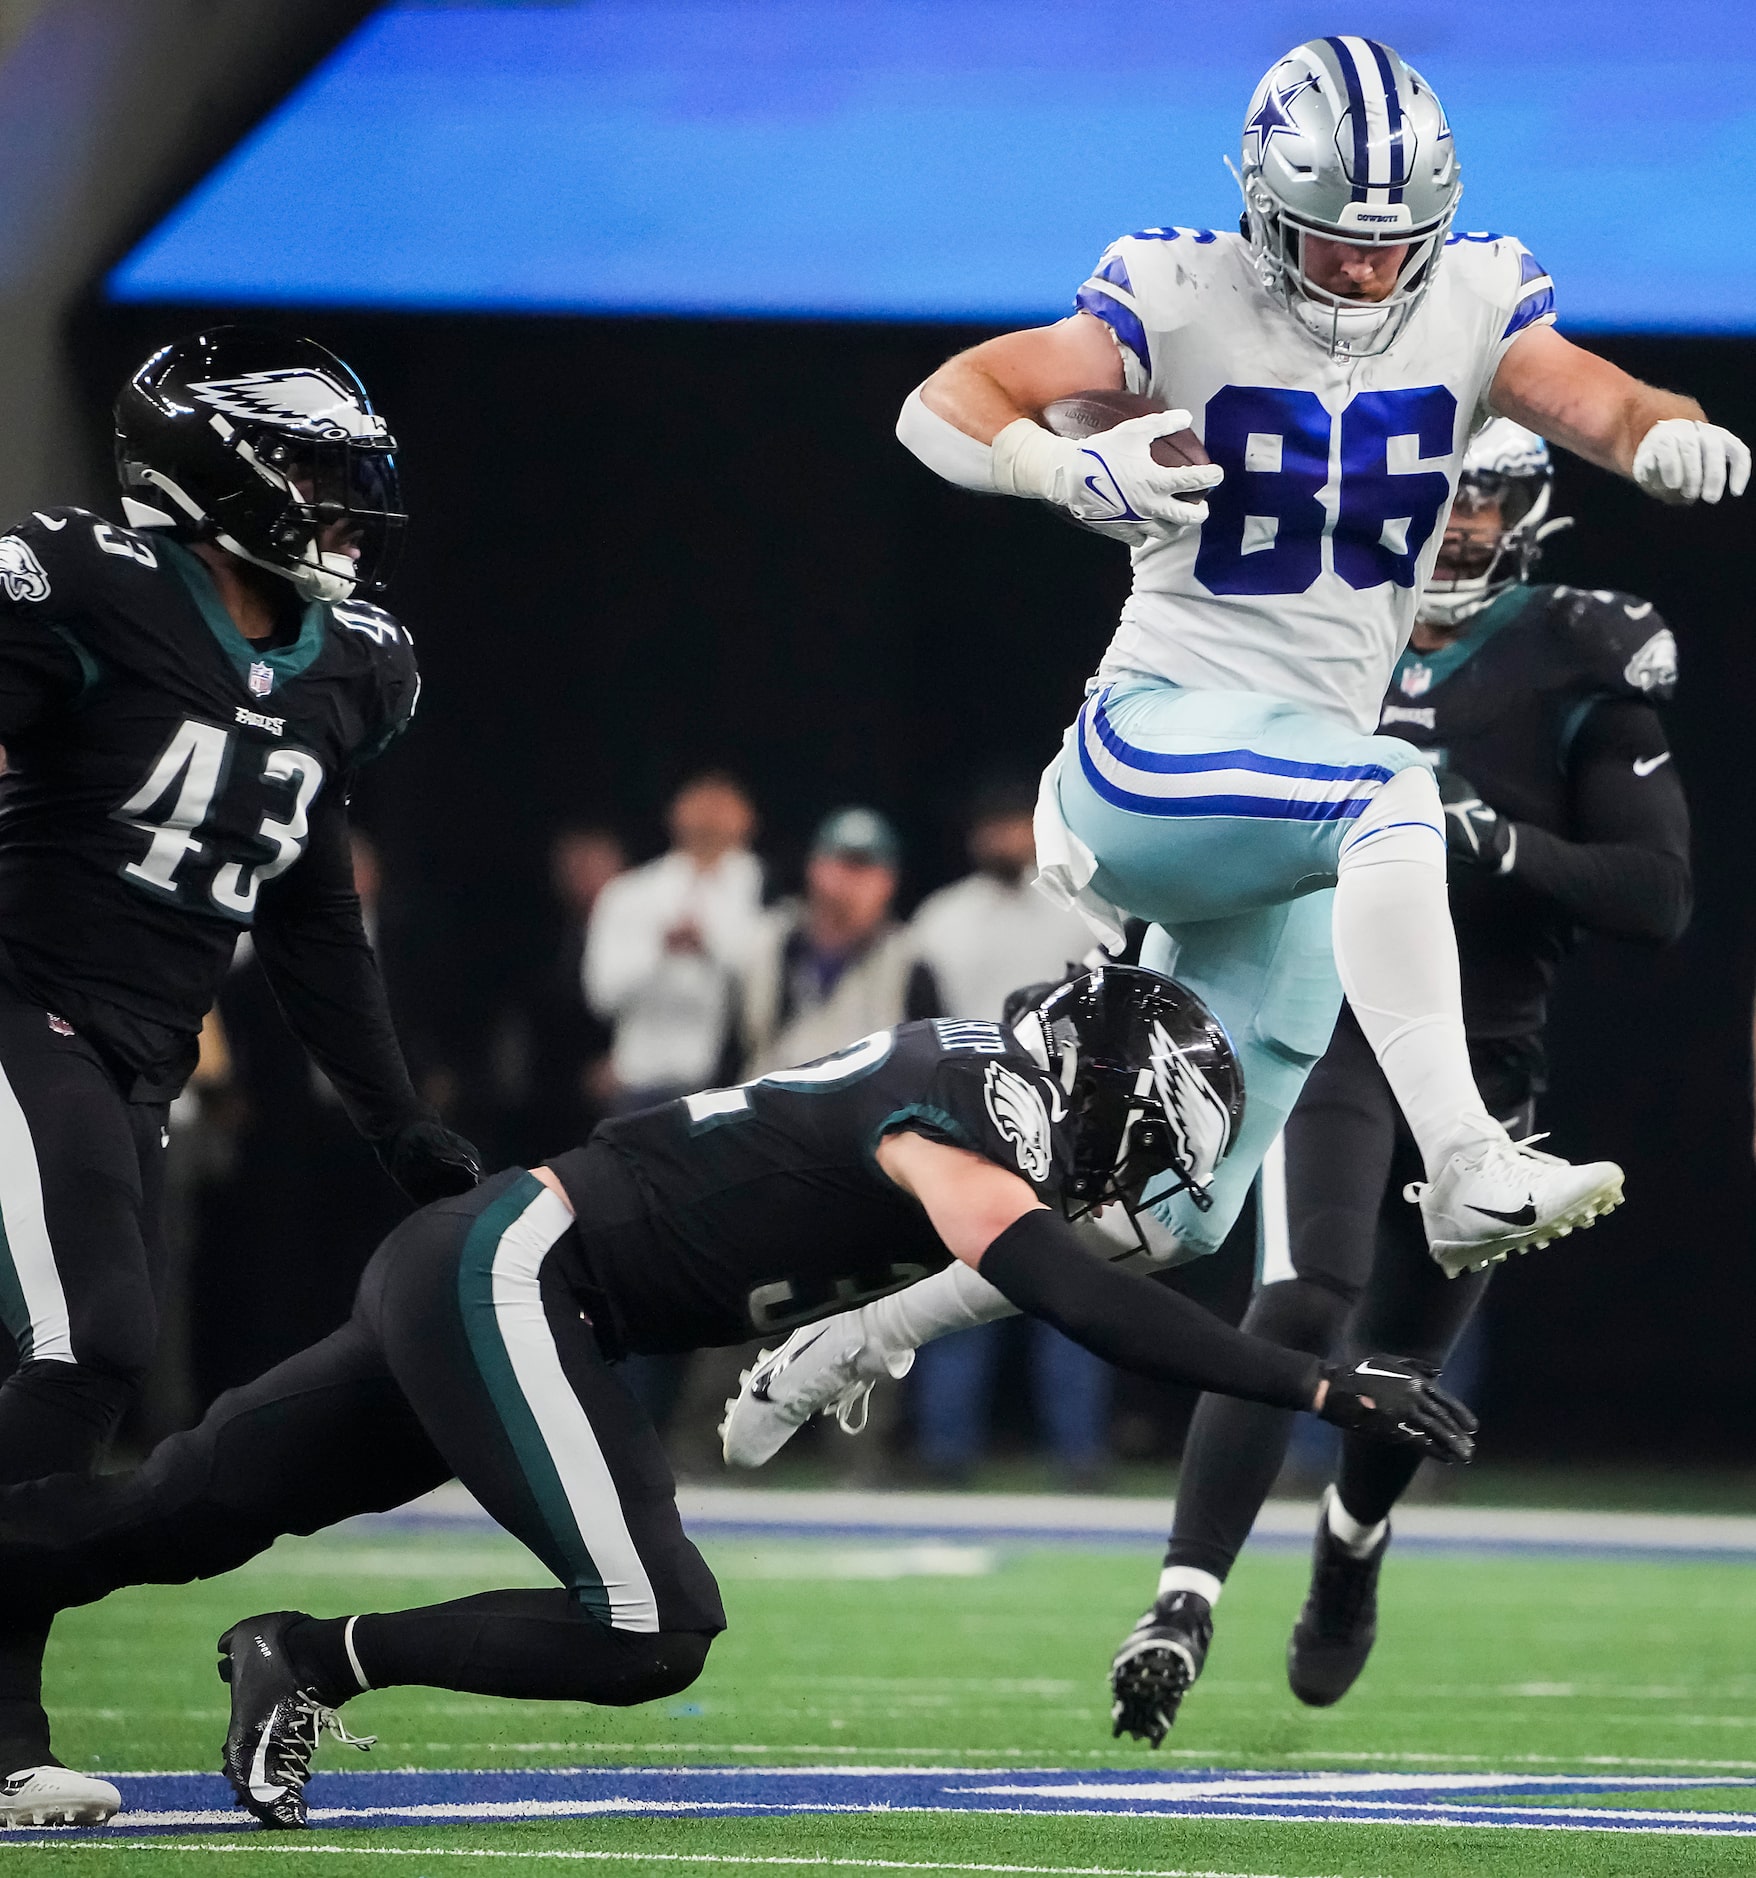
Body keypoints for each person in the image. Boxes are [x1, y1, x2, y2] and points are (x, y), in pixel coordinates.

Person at [723, 33, 1746, 1466]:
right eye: (1334, 243)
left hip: (1298, 818)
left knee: (1160, 1216)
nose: (1368, 275)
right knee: (1397, 784)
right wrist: (1057, 463)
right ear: (1267, 207)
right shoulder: (1180, 288)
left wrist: (1664, 437)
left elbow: (1609, 399)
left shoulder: (1472, 296)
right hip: (1153, 751)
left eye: (1395, 248)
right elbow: (943, 399)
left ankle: (853, 1335)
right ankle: (1460, 1159)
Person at [0, 967, 1474, 1833]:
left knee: (174, 1508)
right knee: (653, 1625)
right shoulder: (963, 1121)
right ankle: (307, 1655)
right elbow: (1081, 1300)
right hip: (517, 1272)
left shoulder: (971, 1078)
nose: (1144, 1172)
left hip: (502, 1274)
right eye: (1145, 1133)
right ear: (1087, 1097)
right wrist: (1323, 1378)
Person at [1107, 419, 1691, 1745]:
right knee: (1304, 1289)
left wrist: (1495, 842)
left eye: (1481, 502)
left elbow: (1656, 895)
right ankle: (1182, 1601)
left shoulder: (1573, 653)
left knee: (1399, 1366)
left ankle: (1353, 1538)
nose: (1455, 525)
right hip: (1334, 1015)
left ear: (1525, 518)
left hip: (1485, 1051)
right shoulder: (1312, 634)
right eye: (1440, 496)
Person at [0, 326, 481, 1825]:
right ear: (217, 473)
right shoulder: (88, 584)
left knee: (66, 1374)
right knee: (96, 1340)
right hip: (25, 1006)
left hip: (136, 1056)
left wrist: (395, 1116)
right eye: (316, 483)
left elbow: (312, 909)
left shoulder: (350, 668)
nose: (345, 517)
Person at [907, 784, 1109, 1485]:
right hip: (966, 1116)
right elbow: (918, 1023)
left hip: (1063, 1113)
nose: (1002, 840)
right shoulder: (940, 916)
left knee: (1071, 1281)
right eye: (989, 826)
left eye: (1012, 825)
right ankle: (944, 1449)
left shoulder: (1078, 906)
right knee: (959, 1283)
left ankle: (1080, 1452)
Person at [583, 774, 762, 1111]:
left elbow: (769, 982)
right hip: (641, 1083)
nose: (711, 827)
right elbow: (602, 994)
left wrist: (710, 944)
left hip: (731, 1085)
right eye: (702, 819)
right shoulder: (630, 893)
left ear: (745, 824)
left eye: (721, 819)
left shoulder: (762, 891)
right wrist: (660, 951)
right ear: (678, 821)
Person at [737, 807, 938, 1077]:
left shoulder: (909, 963)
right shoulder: (769, 944)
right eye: (842, 863)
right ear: (813, 866)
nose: (850, 880)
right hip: (770, 1102)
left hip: (867, 1109)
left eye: (865, 867)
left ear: (888, 881)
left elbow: (931, 1069)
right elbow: (734, 1053)